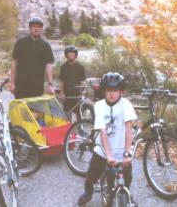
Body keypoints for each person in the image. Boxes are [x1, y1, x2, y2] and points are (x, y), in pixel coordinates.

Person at [77, 72, 138, 206]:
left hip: (122, 149)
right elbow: (102, 131)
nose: (111, 93)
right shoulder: (99, 106)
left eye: (115, 90)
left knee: (127, 176)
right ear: (104, 91)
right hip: (103, 150)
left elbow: (128, 130)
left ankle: (126, 192)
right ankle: (88, 194)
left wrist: (127, 153)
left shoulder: (126, 104)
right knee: (91, 176)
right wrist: (108, 155)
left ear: (120, 91)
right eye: (109, 90)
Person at [10, 16, 55, 98]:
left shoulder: (45, 45)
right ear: (30, 28)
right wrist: (12, 83)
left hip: (37, 85)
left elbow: (48, 65)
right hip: (21, 83)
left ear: (41, 29)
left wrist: (50, 84)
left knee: (35, 110)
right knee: (20, 109)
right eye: (34, 26)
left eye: (38, 27)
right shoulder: (20, 43)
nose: (36, 29)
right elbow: (14, 62)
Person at [59, 45, 86, 114]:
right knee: (67, 114)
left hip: (77, 95)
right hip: (67, 95)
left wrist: (82, 92)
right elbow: (61, 81)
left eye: (73, 53)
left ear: (75, 54)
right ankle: (70, 125)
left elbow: (82, 81)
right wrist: (62, 93)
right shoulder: (63, 67)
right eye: (69, 53)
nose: (71, 54)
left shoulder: (80, 67)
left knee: (79, 114)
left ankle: (79, 125)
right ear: (66, 54)